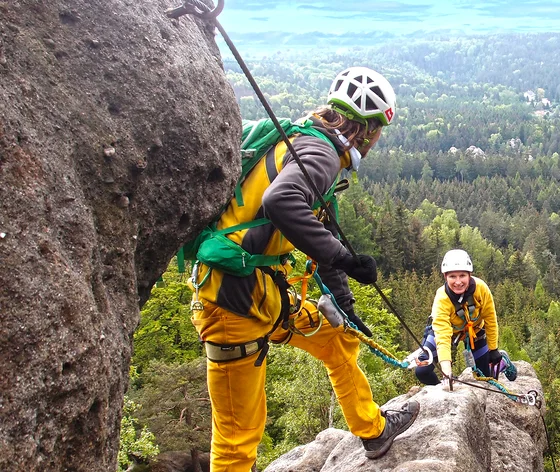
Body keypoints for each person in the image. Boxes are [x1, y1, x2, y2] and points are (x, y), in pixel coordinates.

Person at [190, 66, 418, 470]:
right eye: (377, 133)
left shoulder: (304, 141)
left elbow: (322, 230)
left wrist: (347, 307)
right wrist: (344, 257)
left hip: (261, 294)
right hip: (232, 304)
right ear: (366, 129)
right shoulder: (321, 154)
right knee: (238, 438)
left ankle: (373, 431)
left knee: (336, 337)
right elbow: (283, 203)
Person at [414, 249, 516, 388]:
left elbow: (490, 319)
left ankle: (502, 362)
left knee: (484, 377)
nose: (458, 282)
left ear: (470, 275)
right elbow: (443, 336)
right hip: (448, 333)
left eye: (462, 275)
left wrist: (493, 350)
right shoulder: (442, 298)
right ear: (445, 276)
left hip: (475, 332)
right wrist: (447, 373)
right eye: (452, 276)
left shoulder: (481, 289)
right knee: (422, 371)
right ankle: (445, 389)